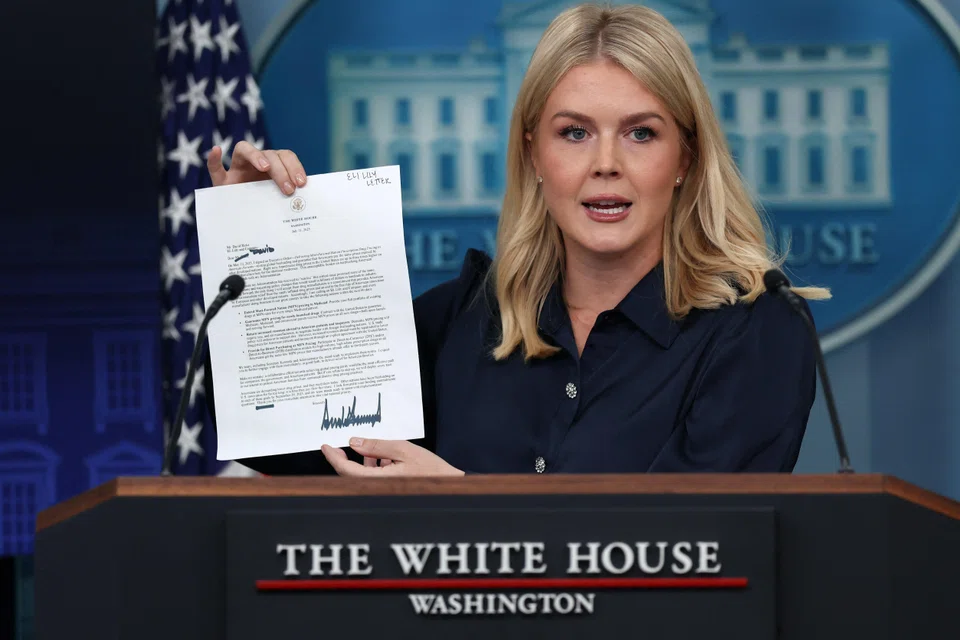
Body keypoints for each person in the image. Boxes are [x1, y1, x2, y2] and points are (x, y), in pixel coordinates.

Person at [203, 3, 829, 478]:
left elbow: (692, 552)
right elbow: (284, 442)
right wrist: (256, 233)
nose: (605, 163)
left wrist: (463, 508)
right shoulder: (463, 319)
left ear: (686, 157)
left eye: (641, 133)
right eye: (574, 133)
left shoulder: (759, 331)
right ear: (533, 153)